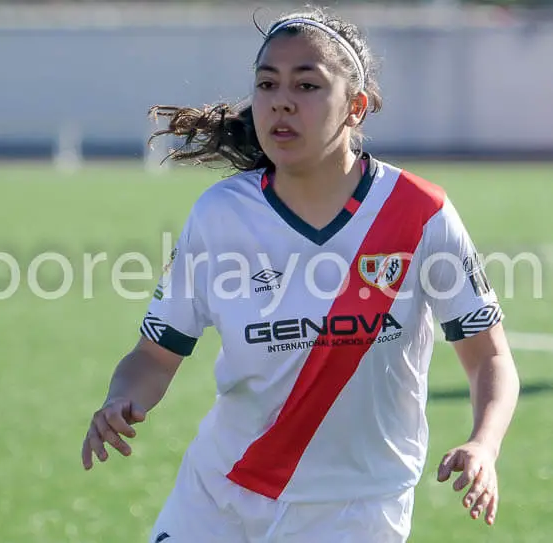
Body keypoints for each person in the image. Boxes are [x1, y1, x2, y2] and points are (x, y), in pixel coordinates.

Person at [80, 6, 520, 542]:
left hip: (357, 512)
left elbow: (490, 356)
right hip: (220, 494)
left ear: (355, 107)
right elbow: (153, 355)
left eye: (307, 85)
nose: (281, 100)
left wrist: (484, 443)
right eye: (267, 84)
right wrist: (121, 400)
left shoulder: (419, 214)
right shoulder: (220, 215)